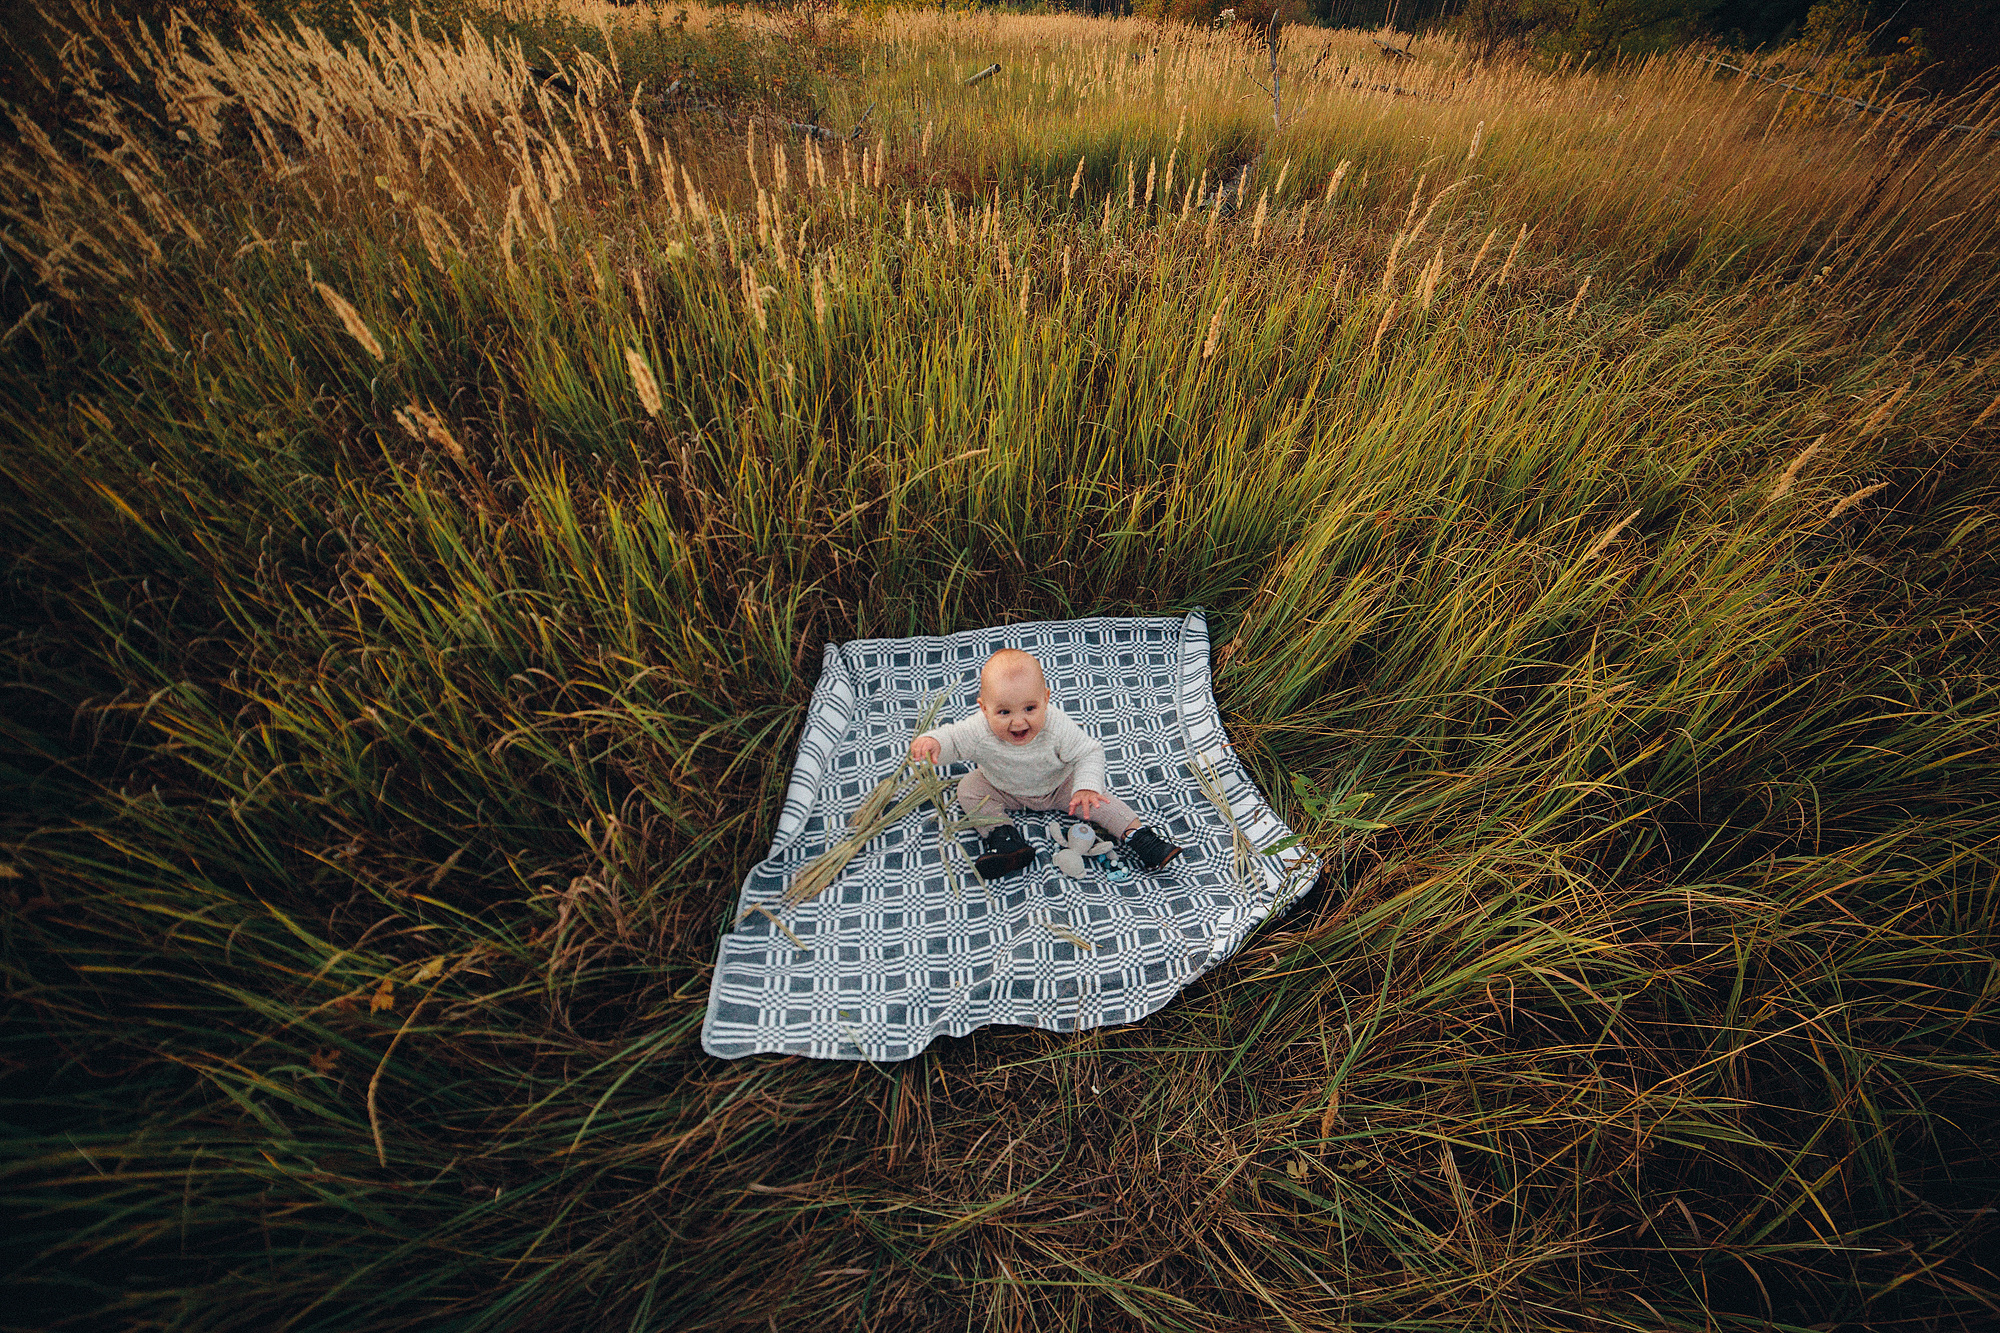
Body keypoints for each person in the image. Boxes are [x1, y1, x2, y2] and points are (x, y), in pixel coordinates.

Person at [908, 648, 1182, 880]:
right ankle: (1004, 839)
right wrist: (934, 742)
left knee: (1101, 802)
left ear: (1046, 699)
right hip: (1005, 788)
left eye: (1030, 708)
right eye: (1004, 712)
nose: (1018, 722)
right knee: (969, 787)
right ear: (984, 708)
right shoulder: (979, 730)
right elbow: (954, 740)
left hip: (1060, 786)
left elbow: (1089, 752)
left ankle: (1141, 838)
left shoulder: (1056, 724)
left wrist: (1086, 786)